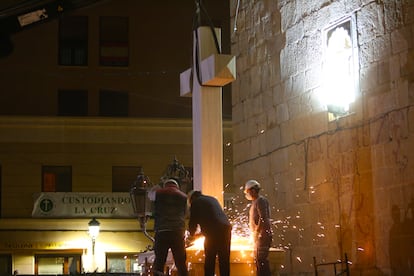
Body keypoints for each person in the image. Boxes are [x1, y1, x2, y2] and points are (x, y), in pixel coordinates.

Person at [187, 190, 232, 276]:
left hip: (213, 233)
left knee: (210, 259)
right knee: (224, 259)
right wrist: (201, 234)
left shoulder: (195, 202)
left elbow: (193, 221)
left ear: (192, 199)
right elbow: (213, 218)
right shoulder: (212, 199)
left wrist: (191, 235)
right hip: (226, 229)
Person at [150, 178, 188, 276]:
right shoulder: (183, 196)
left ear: (165, 185)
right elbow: (186, 213)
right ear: (177, 186)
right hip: (177, 232)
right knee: (181, 262)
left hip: (162, 231)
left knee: (159, 261)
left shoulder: (158, 193)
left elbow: (149, 197)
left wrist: (156, 186)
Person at [244, 179, 273, 276]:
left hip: (263, 236)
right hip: (259, 236)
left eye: (248, 191)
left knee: (261, 260)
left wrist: (257, 232)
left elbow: (263, 218)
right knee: (258, 260)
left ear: (252, 190)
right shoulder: (254, 202)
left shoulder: (261, 201)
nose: (247, 194)